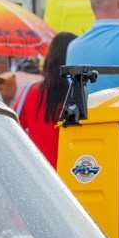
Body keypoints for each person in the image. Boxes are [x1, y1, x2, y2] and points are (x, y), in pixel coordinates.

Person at [21, 30, 74, 165]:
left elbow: (14, 129)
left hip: (40, 174)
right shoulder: (82, 95)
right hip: (74, 172)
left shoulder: (30, 92)